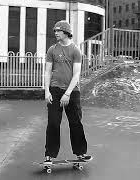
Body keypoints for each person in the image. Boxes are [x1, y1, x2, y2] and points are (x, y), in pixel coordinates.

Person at [43, 20, 92, 165]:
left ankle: (80, 153)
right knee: (53, 122)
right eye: (55, 31)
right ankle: (49, 155)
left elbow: (76, 75)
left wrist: (68, 94)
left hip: (72, 92)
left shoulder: (76, 51)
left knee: (76, 122)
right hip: (55, 90)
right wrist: (47, 91)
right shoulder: (52, 50)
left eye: (58, 31)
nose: (56, 33)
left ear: (66, 32)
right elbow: (47, 72)